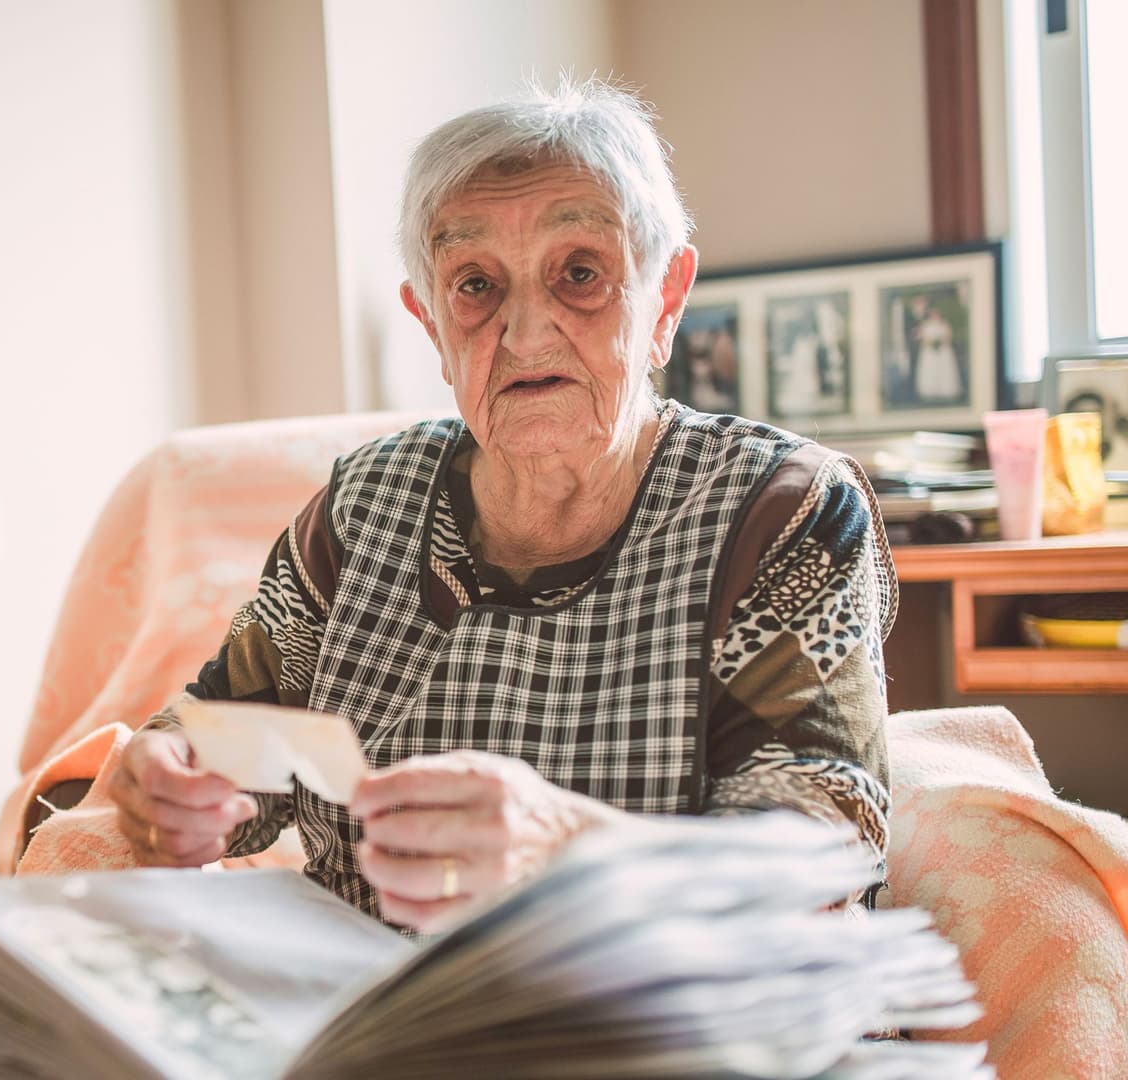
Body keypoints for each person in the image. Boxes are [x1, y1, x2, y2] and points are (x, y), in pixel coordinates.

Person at [106, 79, 897, 933]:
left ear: (665, 298)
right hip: (376, 992)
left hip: (656, 994)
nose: (525, 333)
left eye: (580, 274)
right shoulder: (362, 508)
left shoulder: (779, 510)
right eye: (476, 285)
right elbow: (229, 730)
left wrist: (566, 846)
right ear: (431, 324)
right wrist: (172, 772)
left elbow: (822, 856)